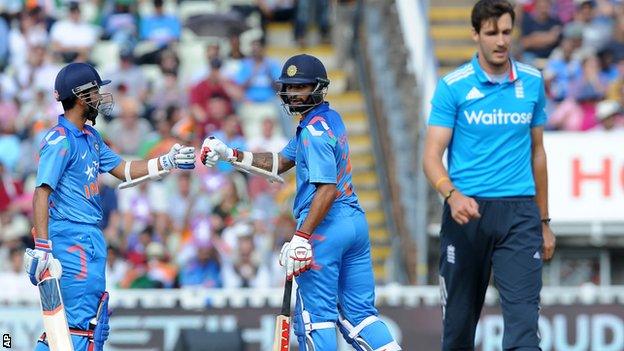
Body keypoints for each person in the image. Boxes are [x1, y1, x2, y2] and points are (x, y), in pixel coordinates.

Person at [201, 54, 401, 351]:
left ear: (318, 87)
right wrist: (232, 155)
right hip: (354, 224)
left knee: (314, 320)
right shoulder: (327, 119)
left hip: (325, 227)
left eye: (302, 87)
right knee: (360, 316)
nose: (294, 94)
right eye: (290, 87)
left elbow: (326, 190)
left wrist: (301, 237)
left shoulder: (313, 133)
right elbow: (280, 162)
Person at [23, 62, 196, 351]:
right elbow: (41, 192)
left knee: (93, 323)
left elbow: (123, 169)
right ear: (79, 97)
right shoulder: (60, 140)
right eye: (94, 92)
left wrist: (166, 161)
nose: (100, 98)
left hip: (92, 235)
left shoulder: (91, 138)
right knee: (76, 325)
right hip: (69, 237)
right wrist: (43, 246)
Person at [422, 1, 556, 350]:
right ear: (475, 34)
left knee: (524, 331)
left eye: (507, 32)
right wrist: (451, 195)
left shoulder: (532, 81)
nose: (500, 41)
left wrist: (544, 220)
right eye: (491, 32)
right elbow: (431, 156)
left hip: (520, 214)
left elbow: (537, 152)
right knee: (457, 332)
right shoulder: (453, 86)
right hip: (467, 213)